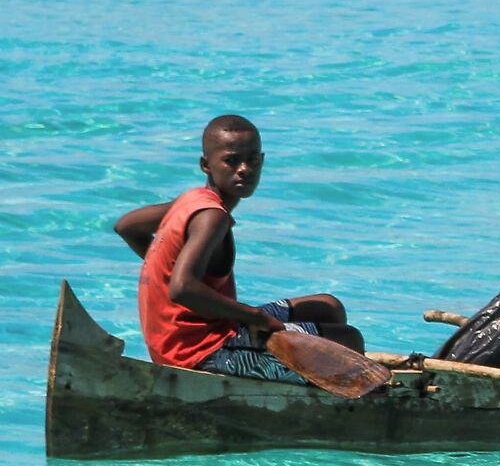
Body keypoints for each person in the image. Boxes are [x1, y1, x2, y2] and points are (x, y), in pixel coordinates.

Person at [114, 115, 363, 382]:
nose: (244, 169)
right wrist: (255, 317)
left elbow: (127, 226)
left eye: (252, 160)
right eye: (232, 161)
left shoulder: (190, 200)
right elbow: (182, 288)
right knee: (349, 341)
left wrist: (164, 266)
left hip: (198, 333)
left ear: (262, 161)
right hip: (201, 353)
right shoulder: (212, 217)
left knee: (328, 307)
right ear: (206, 165)